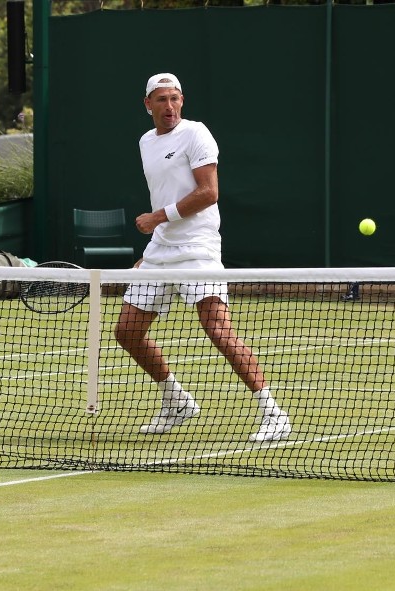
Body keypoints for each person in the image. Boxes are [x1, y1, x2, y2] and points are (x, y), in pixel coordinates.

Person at [114, 73, 291, 442]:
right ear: (148, 105)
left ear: (182, 100)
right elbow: (165, 192)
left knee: (218, 331)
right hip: (161, 251)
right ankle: (177, 400)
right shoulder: (146, 141)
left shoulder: (196, 134)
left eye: (175, 98)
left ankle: (273, 414)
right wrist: (151, 253)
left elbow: (208, 193)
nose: (169, 106)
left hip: (198, 248)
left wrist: (157, 218)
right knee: (127, 332)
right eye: (161, 99)